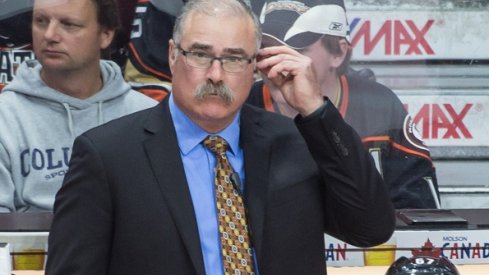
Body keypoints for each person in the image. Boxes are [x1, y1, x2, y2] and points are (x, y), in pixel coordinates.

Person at [45, 0, 395, 274]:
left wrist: (316, 111)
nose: (215, 74)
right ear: (172, 55)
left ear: (254, 67)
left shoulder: (296, 142)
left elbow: (371, 228)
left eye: (233, 58)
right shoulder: (108, 156)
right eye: (200, 54)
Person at [247, 0, 440, 209]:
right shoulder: (242, 106)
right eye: (268, 49)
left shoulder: (379, 108)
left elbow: (419, 212)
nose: (278, 64)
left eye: (296, 50)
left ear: (338, 53)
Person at [0, 0, 157, 212]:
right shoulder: (5, 118)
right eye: (41, 21)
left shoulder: (148, 117)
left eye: (68, 24)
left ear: (106, 35)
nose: (50, 35)